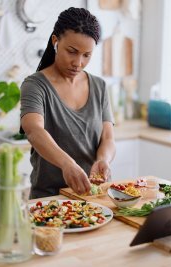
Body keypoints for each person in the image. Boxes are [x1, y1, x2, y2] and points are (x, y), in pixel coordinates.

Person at [20, 7, 115, 199]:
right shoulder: (35, 85)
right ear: (56, 41)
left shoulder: (99, 86)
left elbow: (108, 137)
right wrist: (67, 164)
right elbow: (34, 131)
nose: (78, 63)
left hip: (92, 197)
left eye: (86, 55)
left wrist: (103, 159)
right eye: (72, 52)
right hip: (48, 199)